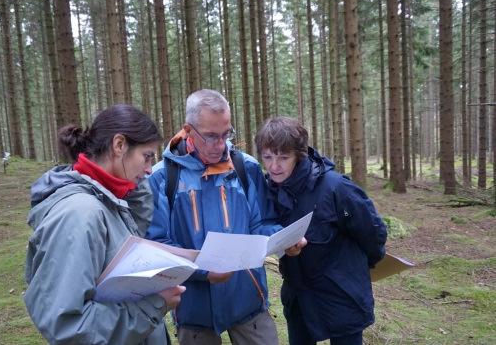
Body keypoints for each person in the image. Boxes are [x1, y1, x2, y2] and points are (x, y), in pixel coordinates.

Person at [146, 89, 303, 345]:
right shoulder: (162, 178)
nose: (221, 145)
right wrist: (204, 271)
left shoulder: (245, 167)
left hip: (248, 298)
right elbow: (159, 244)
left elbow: (261, 223)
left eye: (226, 134)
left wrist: (283, 240)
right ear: (188, 130)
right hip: (193, 307)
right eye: (210, 136)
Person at [24, 104, 185, 345]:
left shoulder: (112, 201)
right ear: (119, 145)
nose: (151, 169)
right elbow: (70, 327)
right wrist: (155, 304)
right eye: (147, 156)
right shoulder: (80, 215)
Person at [254, 116, 388, 345]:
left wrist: (355, 272)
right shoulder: (269, 191)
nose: (274, 166)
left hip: (341, 294)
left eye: (283, 158)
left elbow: (373, 233)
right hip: (299, 296)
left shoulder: (336, 188)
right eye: (267, 157)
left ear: (299, 154)